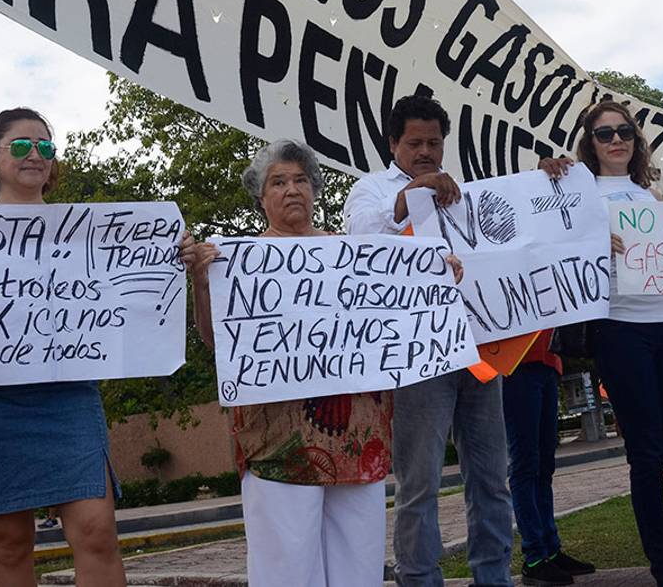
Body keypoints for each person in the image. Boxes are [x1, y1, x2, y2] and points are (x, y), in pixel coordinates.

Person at [181, 139, 399, 587]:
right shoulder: (235, 261)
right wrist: (202, 282)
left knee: (359, 562)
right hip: (277, 439)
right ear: (261, 197)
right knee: (287, 565)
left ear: (315, 189)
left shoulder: (355, 252)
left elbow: (397, 314)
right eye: (278, 182)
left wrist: (438, 275)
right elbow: (216, 340)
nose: (292, 189)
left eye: (300, 179)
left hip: (357, 434)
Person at [547, 99, 663, 587]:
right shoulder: (578, 190)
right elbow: (549, 239)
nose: (616, 140)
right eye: (604, 133)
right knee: (647, 456)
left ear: (636, 139)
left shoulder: (651, 195)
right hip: (621, 329)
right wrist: (586, 236)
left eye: (624, 131)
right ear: (589, 143)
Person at [344, 94, 521, 587]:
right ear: (393, 144)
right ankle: (420, 579)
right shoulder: (370, 190)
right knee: (419, 483)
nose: (425, 152)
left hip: (478, 350)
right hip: (416, 358)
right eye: (415, 143)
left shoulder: (467, 192)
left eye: (434, 143)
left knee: (491, 478)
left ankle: (494, 578)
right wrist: (410, 195)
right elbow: (359, 238)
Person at [0, 108, 125, 586]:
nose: (35, 155)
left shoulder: (91, 233)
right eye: (22, 145)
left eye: (45, 146)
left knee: (97, 532)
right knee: (8, 545)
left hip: (67, 398)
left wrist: (174, 256)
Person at [502, 328, 597, 586]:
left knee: (545, 464)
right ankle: (534, 557)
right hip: (517, 362)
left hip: (548, 360)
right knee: (526, 463)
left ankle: (550, 550)